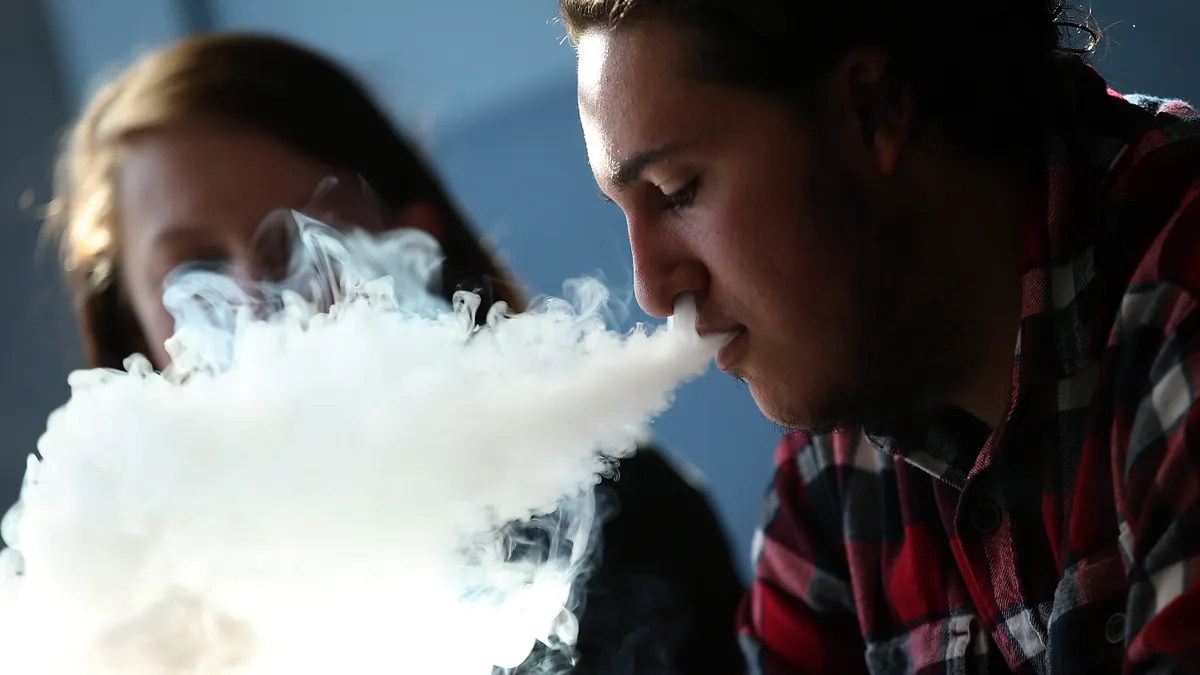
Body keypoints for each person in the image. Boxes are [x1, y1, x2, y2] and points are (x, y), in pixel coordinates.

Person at [47, 33, 746, 675]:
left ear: (413, 243)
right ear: (134, 333)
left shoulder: (608, 509)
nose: (259, 301)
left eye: (297, 239)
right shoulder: (109, 602)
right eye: (194, 265)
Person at [558, 0, 1200, 673]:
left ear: (871, 109)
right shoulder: (830, 483)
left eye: (677, 189)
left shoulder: (1178, 305)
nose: (654, 291)